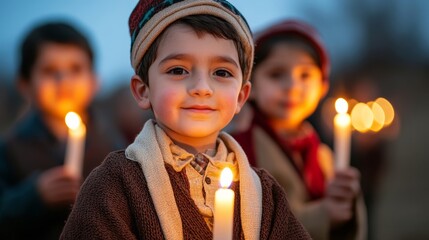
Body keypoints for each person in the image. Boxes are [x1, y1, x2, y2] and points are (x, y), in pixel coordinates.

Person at [60, 1, 311, 239]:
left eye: (221, 73)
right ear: (143, 90)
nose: (202, 88)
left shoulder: (265, 194)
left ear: (241, 97)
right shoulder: (113, 185)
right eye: (178, 70)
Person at [232, 20, 367, 240]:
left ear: (323, 86)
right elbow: (257, 221)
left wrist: (347, 203)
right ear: (249, 86)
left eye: (305, 75)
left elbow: (348, 221)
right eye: (276, 74)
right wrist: (323, 215)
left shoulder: (322, 155)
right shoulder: (241, 152)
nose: (292, 86)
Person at [0, 22, 125, 239]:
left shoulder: (115, 149)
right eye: (50, 71)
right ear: (24, 84)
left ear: (94, 81)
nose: (63, 81)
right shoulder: (10, 150)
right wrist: (34, 198)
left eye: (75, 69)